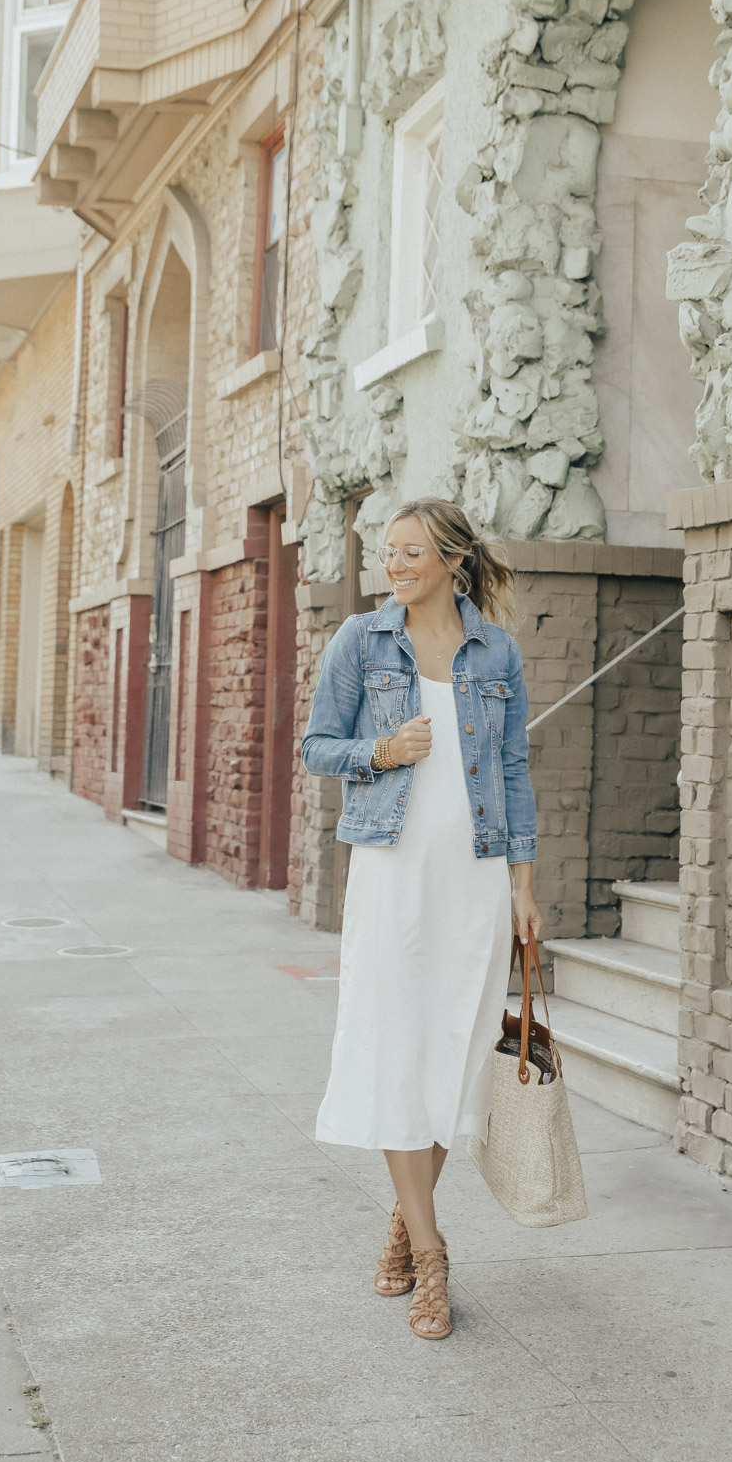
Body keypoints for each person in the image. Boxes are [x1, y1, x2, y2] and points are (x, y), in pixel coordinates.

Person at [301, 497, 541, 1340]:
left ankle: (406, 1218)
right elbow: (317, 745)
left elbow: (512, 768)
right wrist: (379, 753)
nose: (393, 565)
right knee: (395, 1044)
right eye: (387, 553)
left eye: (409, 552)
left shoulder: (495, 651)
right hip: (392, 873)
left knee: (453, 1052)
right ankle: (434, 1256)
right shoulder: (359, 643)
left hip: (473, 882)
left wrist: (522, 883)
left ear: (449, 559)